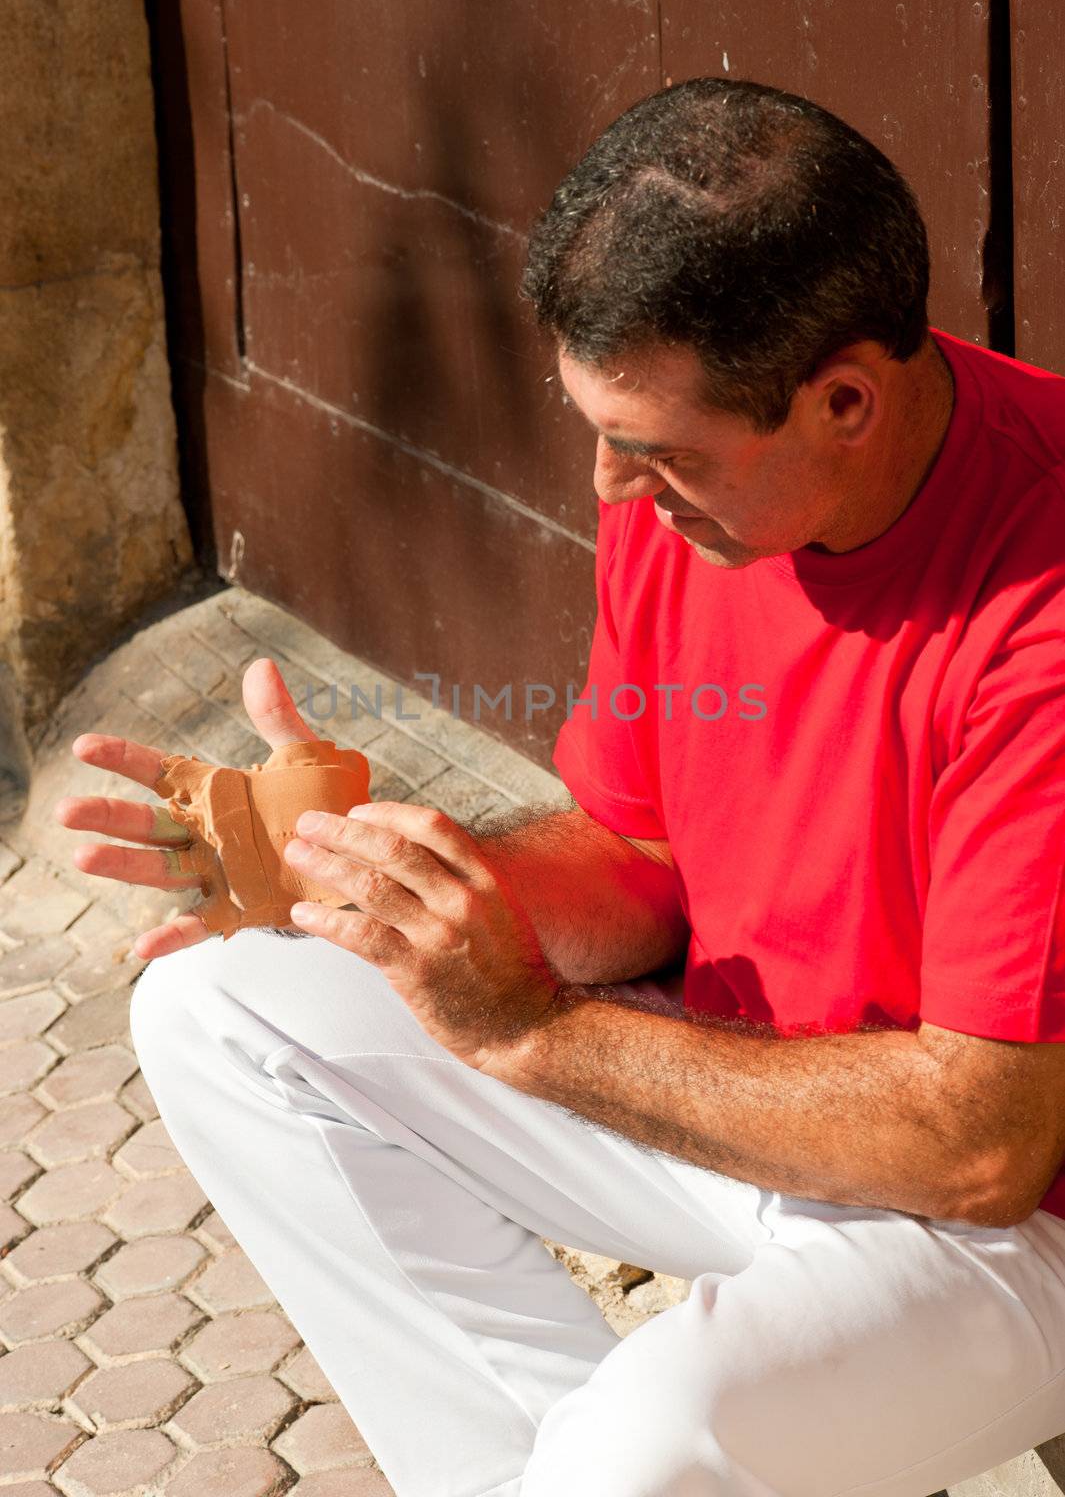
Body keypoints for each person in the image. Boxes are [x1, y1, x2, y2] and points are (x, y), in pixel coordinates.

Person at [58, 77, 1065, 1497]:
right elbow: (639, 855)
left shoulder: (1043, 605)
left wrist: (528, 1032)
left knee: (644, 1446)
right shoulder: (700, 490)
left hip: (1005, 1223)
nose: (608, 488)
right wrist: (364, 880)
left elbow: (978, 1147)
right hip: (736, 1082)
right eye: (594, 429)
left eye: (653, 452)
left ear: (844, 397)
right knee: (219, 1008)